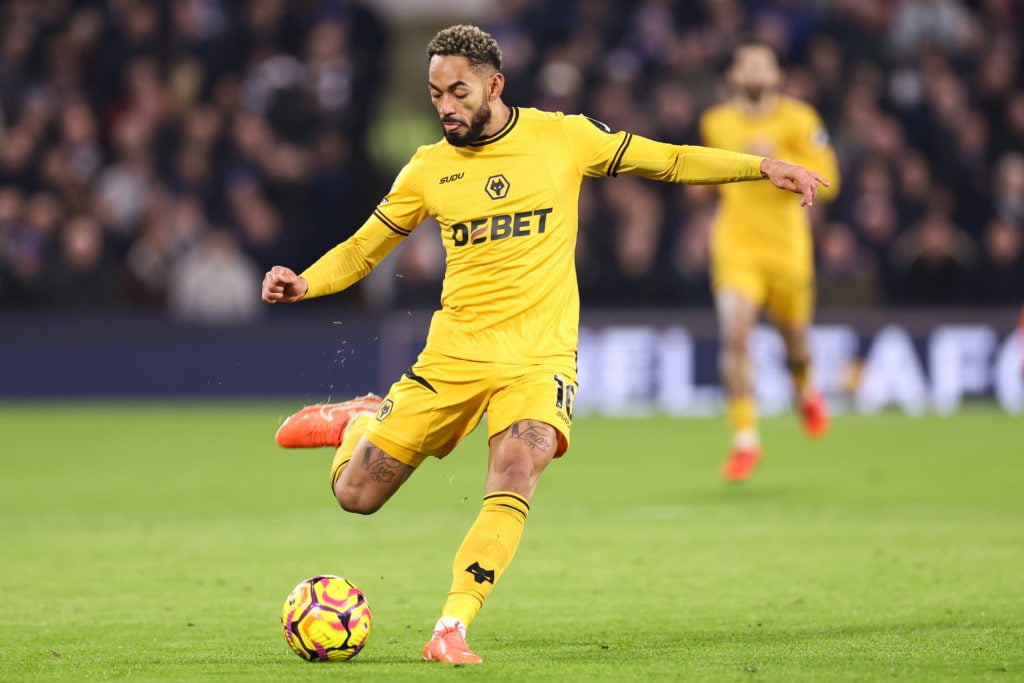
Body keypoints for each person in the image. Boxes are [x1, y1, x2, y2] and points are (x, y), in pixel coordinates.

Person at [262, 25, 829, 664]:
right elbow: (366, 248)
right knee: (356, 498)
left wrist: (763, 167)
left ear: (493, 85)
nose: (445, 105)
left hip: (539, 357)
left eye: (458, 90)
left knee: (517, 469)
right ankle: (359, 424)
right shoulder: (429, 169)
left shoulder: (563, 137)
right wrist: (304, 282)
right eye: (434, 93)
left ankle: (452, 627)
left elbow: (667, 158)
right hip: (456, 356)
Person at [698, 43, 841, 482]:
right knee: (736, 338)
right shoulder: (716, 123)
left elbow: (829, 181)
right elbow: (706, 172)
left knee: (794, 343)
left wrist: (777, 155)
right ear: (734, 76)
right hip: (736, 247)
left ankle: (807, 390)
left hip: (787, 249)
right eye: (748, 65)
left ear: (778, 74)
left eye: (764, 65)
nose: (756, 73)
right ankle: (745, 440)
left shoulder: (800, 119)